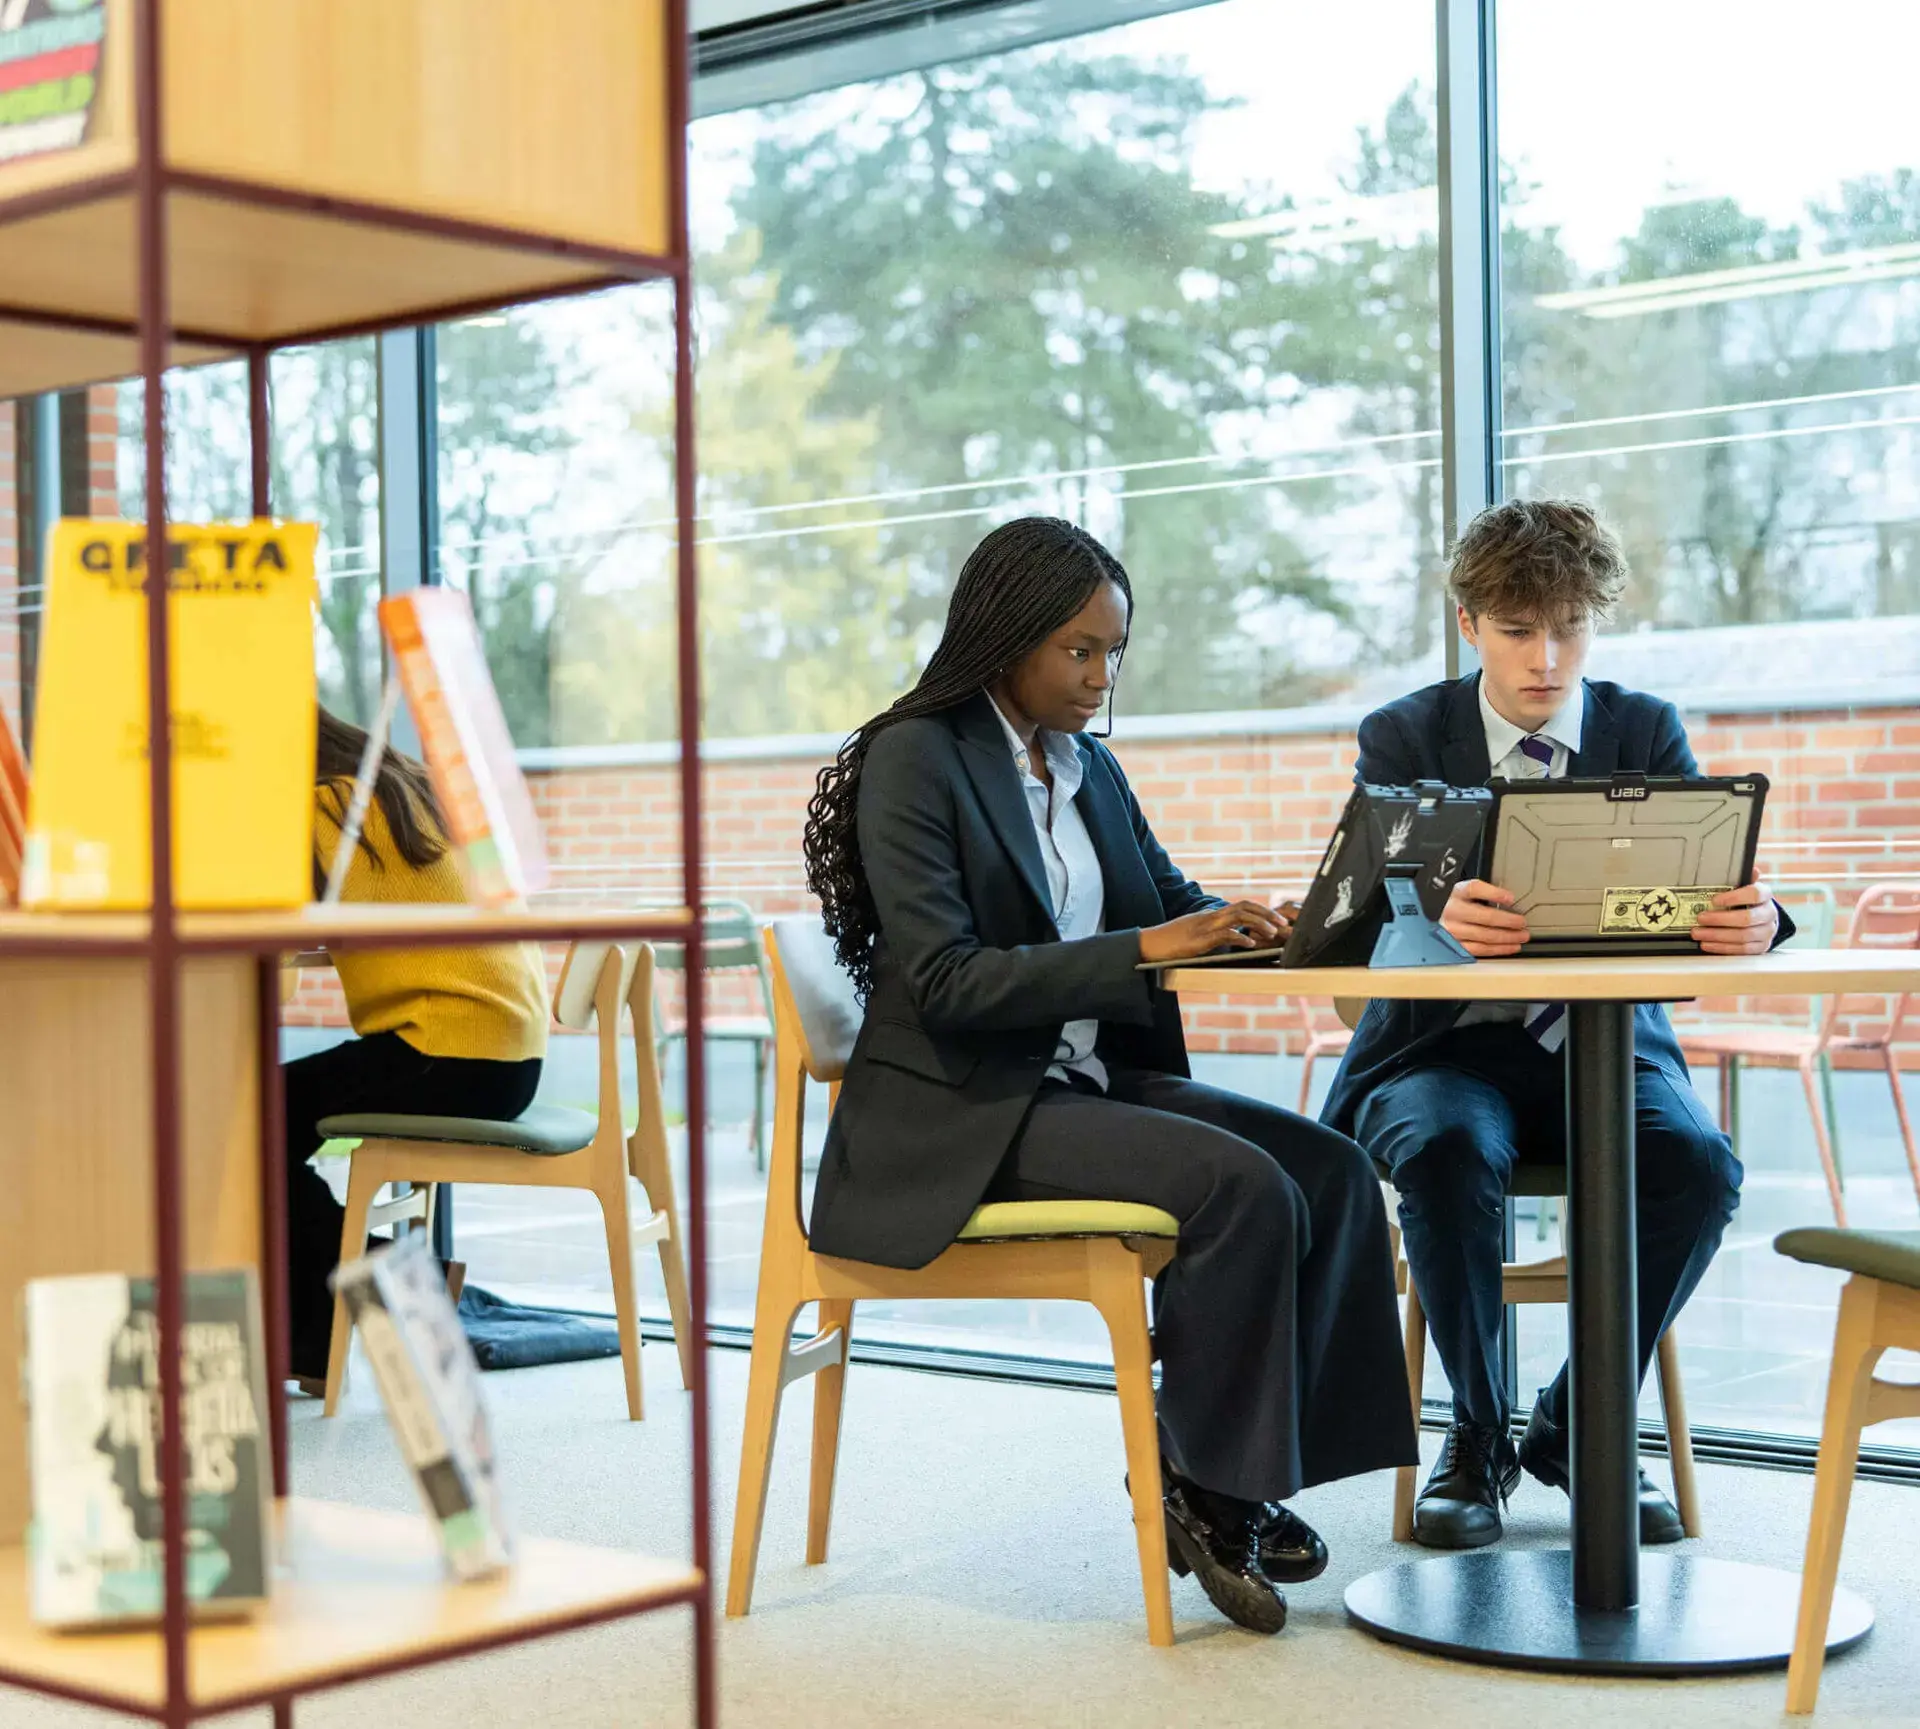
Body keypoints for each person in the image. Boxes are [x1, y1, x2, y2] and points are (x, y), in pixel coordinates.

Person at [803, 515, 1415, 1635]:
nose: (1100, 677)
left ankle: (1243, 1470)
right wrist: (1150, 948)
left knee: (1330, 1167)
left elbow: (1164, 903)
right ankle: (1202, 1482)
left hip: (1078, 1082)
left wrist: (1249, 927)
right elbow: (944, 980)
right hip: (963, 1111)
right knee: (1239, 1187)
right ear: (1006, 638)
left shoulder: (1089, 767)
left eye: (1113, 652)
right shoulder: (916, 759)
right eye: (1078, 650)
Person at [1321, 497, 1788, 1551]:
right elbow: (1354, 919)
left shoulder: (1642, 727)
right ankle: (1477, 1437)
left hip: (1606, 1046)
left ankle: (1577, 1423)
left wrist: (1758, 914)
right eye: (1521, 629)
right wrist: (1431, 913)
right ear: (1468, 625)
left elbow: (1704, 875)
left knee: (1701, 1168)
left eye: (1572, 626)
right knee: (1444, 1147)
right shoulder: (1403, 733)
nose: (1548, 657)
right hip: (1441, 1049)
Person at [285, 709, 550, 1382]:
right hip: (507, 1055)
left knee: (244, 1124)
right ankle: (334, 1328)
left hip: (442, 1046)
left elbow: (258, 908)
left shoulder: (325, 804)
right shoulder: (409, 785)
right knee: (266, 1118)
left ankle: (386, 1288)